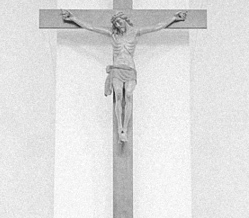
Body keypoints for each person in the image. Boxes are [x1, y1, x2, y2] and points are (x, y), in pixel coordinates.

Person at [61, 8, 187, 143]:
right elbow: (91, 27)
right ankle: (120, 128)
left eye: (119, 22)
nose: (118, 25)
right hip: (117, 69)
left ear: (125, 20)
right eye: (115, 24)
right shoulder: (113, 35)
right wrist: (73, 19)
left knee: (128, 95)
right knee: (118, 96)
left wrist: (174, 18)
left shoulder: (135, 33)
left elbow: (156, 27)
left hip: (130, 69)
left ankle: (125, 128)